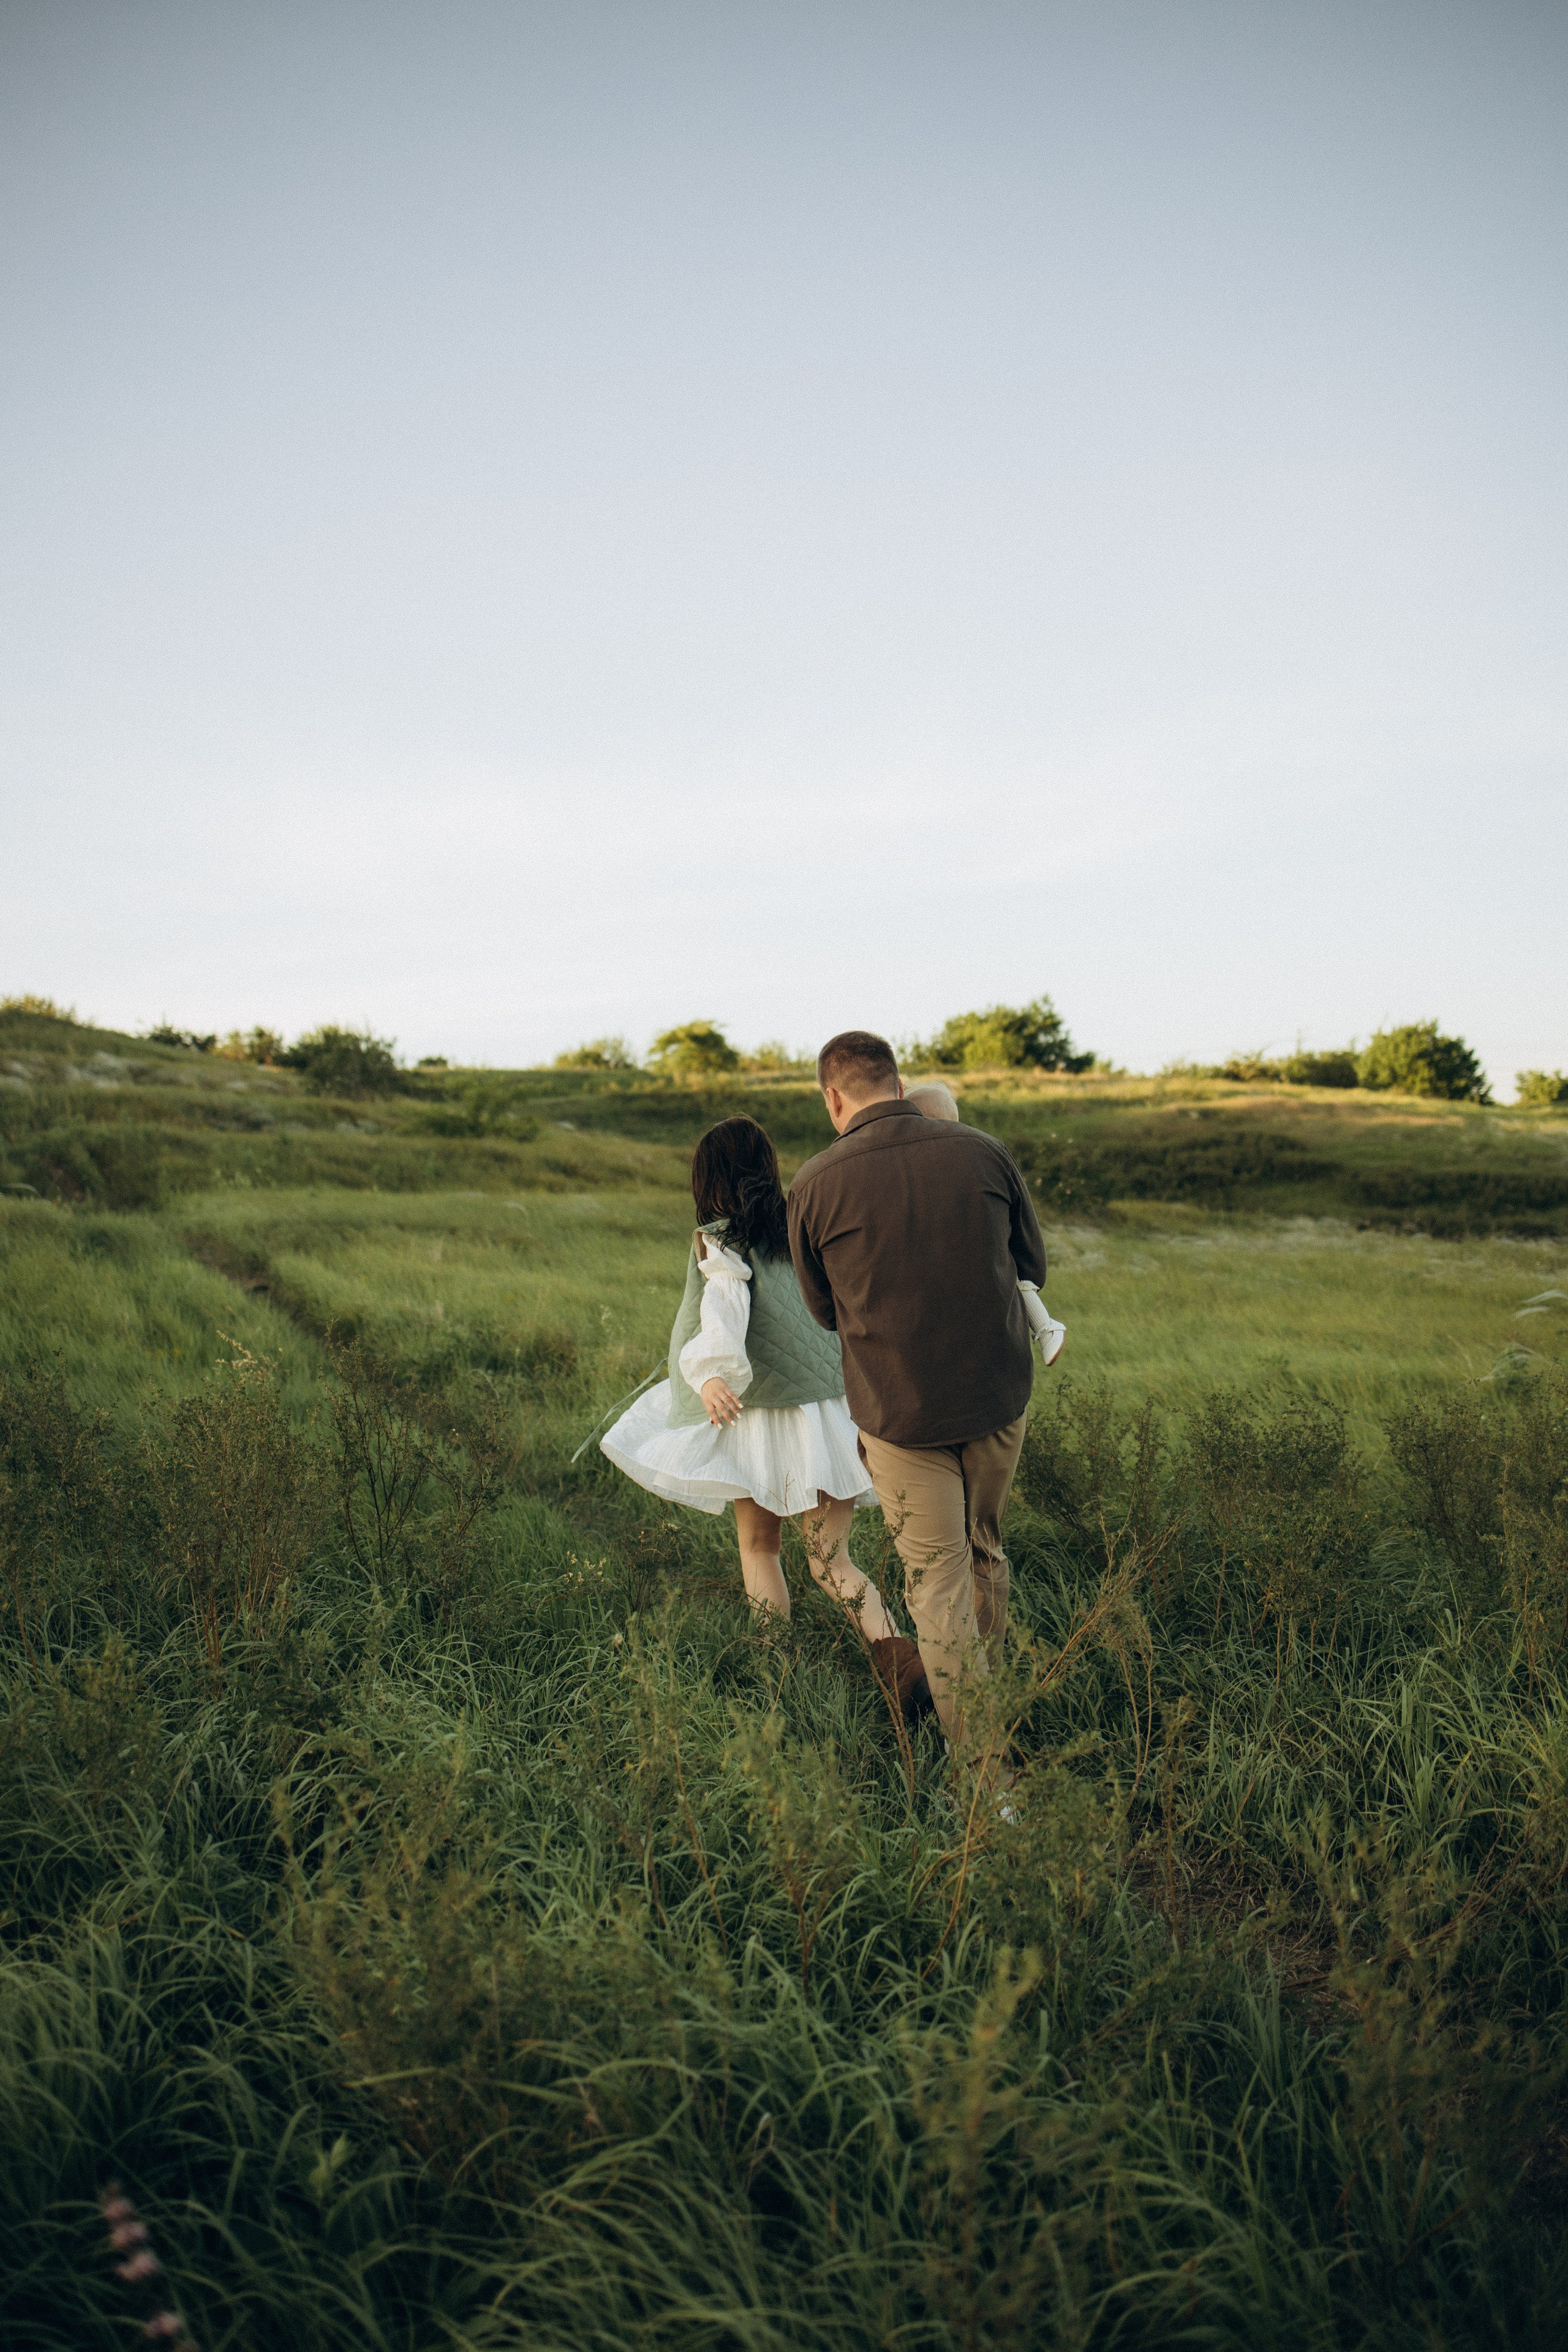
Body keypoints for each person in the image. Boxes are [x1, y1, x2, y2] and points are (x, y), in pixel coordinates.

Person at [601, 1113, 930, 1711]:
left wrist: (708, 1375)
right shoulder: (803, 1223)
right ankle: (900, 1659)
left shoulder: (719, 1239)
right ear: (768, 1169)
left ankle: (777, 1683)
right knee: (832, 1562)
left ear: (707, 1180)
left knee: (759, 1549)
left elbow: (723, 1308)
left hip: (757, 1415)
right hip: (827, 1412)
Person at [787, 1032, 1048, 1748]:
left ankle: (984, 1777)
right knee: (983, 1548)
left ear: (833, 1098)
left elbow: (820, 1310)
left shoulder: (812, 1184)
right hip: (996, 1399)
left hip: (898, 1413)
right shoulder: (983, 1151)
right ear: (900, 1087)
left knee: (935, 1584)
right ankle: (982, 1703)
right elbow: (1032, 1264)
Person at [905, 1080, 1066, 1365]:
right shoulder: (984, 1155)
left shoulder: (933, 1166)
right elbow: (1029, 1251)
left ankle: (1045, 1325)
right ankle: (1044, 1325)